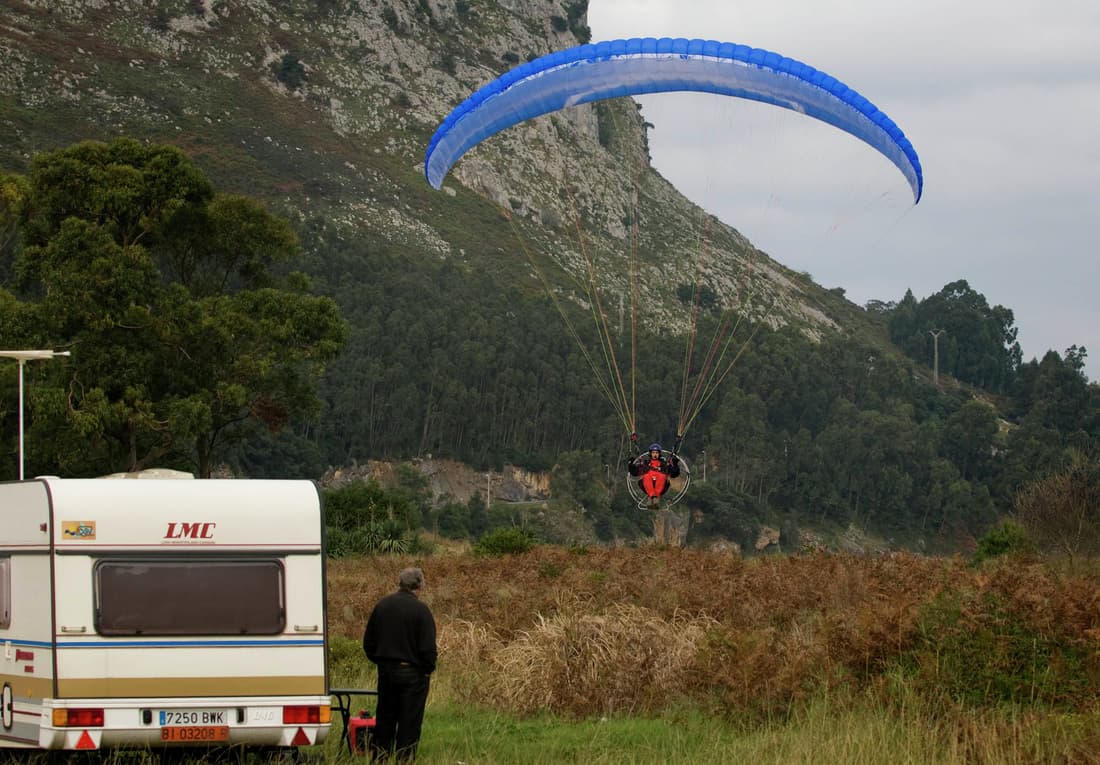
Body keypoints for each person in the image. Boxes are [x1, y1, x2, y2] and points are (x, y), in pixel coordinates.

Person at [363, 567, 437, 762]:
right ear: (420, 584)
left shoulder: (382, 606)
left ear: (400, 583)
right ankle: (404, 760)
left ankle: (380, 759)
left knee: (385, 720)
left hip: (386, 672)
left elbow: (368, 643)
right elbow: (428, 649)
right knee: (409, 723)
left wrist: (381, 662)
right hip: (413, 674)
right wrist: (427, 670)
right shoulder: (422, 611)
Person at [627, 442, 681, 507]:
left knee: (662, 476)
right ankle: (652, 497)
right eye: (653, 453)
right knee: (646, 476)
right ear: (650, 454)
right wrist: (630, 464)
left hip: (662, 485)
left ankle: (655, 498)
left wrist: (675, 464)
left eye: (656, 453)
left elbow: (674, 473)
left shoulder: (664, 465)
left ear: (659, 454)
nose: (655, 454)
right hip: (647, 484)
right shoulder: (645, 464)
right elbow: (634, 472)